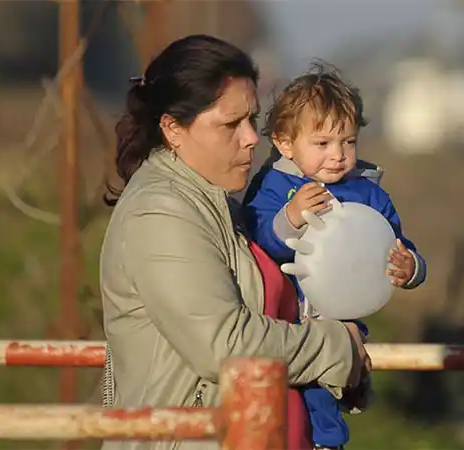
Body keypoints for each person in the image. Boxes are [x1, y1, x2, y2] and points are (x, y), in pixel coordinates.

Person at [99, 35, 370, 450]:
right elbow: (226, 345)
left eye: (252, 119)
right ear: (173, 128)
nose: (250, 137)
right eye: (230, 124)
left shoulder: (220, 203)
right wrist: (340, 347)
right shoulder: (160, 213)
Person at [242, 63, 427, 450]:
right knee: (284, 402)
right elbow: (259, 238)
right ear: (284, 143)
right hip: (285, 321)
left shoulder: (368, 194)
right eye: (322, 143)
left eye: (348, 141)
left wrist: (409, 267)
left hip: (341, 325)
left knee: (323, 401)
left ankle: (328, 444)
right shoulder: (274, 187)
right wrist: (290, 219)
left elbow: (395, 243)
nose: (338, 155)